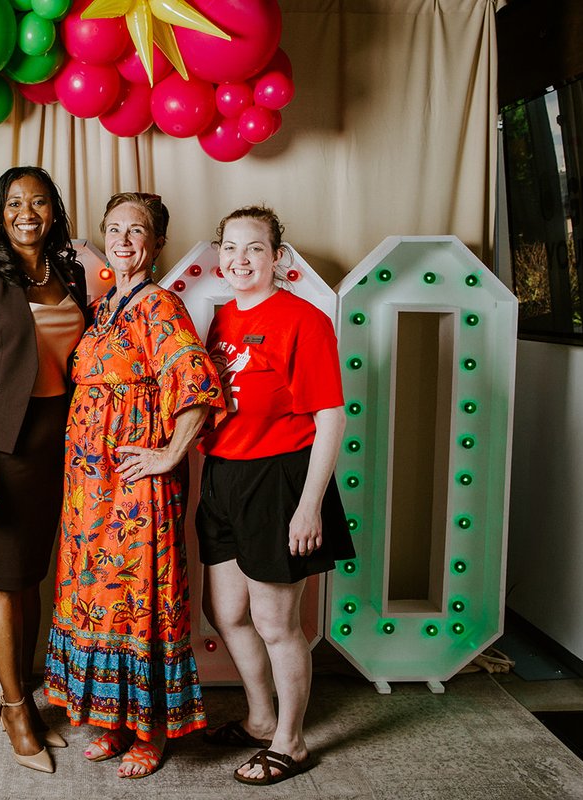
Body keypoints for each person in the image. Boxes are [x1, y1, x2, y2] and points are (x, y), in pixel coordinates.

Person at [44, 192, 224, 779]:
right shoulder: (102, 308)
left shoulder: (160, 307)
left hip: (134, 488)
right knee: (97, 599)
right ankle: (112, 721)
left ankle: (150, 731)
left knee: (140, 602)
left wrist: (168, 456)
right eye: (114, 229)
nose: (123, 240)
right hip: (87, 489)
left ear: (156, 241)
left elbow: (196, 384)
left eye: (136, 230)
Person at [196, 206, 355, 786]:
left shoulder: (304, 320)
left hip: (279, 477)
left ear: (278, 258)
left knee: (275, 622)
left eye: (255, 248)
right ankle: (260, 718)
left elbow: (331, 417)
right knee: (226, 611)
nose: (240, 260)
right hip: (222, 476)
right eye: (231, 248)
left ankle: (291, 741)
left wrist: (309, 504)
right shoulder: (221, 321)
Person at [0, 166, 90, 773]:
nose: (26, 212)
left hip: (63, 445)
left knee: (33, 577)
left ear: (54, 210)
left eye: (38, 201)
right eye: (13, 202)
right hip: (0, 451)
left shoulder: (73, 272)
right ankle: (13, 707)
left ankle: (23, 695)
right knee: (4, 579)